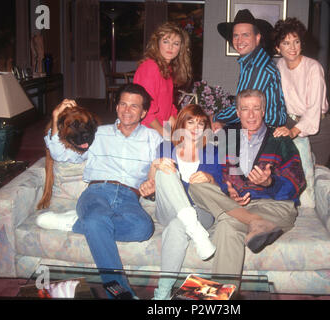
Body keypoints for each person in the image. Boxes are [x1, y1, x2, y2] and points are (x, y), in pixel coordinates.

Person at [42, 83, 163, 299]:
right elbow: (61, 155)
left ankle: (76, 223)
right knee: (97, 218)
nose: (127, 110)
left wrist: (154, 185)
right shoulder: (98, 134)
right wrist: (55, 117)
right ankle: (120, 293)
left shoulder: (154, 138)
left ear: (144, 112)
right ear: (116, 107)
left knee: (143, 228)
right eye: (123, 104)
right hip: (97, 191)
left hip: (129, 197)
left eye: (134, 106)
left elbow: (164, 170)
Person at [188, 89, 305, 280]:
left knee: (226, 225)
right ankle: (254, 222)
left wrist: (269, 182)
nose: (250, 115)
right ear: (237, 112)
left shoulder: (279, 139)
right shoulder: (226, 135)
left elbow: (296, 181)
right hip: (236, 205)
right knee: (196, 185)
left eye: (256, 109)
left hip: (275, 208)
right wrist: (227, 192)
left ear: (264, 112)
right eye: (245, 109)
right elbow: (210, 171)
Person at [139, 104, 221, 300]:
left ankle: (162, 295)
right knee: (165, 169)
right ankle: (195, 229)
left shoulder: (212, 151)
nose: (195, 127)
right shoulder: (165, 147)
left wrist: (209, 178)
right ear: (181, 124)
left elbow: (220, 190)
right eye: (190, 121)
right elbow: (153, 184)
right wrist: (155, 166)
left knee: (178, 226)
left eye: (201, 123)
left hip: (202, 211)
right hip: (168, 209)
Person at [273, 17, 330, 167]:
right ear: (278, 48)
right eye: (286, 43)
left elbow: (313, 110)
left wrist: (293, 132)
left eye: (296, 41)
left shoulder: (313, 68)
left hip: (318, 128)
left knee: (317, 172)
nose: (292, 47)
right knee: (292, 172)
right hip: (290, 122)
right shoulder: (280, 65)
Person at [211, 9, 287, 130]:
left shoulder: (258, 67)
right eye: (236, 35)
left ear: (257, 38)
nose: (239, 41)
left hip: (267, 132)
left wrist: (213, 117)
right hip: (257, 127)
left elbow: (243, 106)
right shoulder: (252, 62)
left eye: (245, 35)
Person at [133, 22, 192, 137]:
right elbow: (146, 111)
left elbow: (168, 109)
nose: (170, 47)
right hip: (147, 131)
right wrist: (166, 135)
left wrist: (179, 131)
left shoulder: (166, 69)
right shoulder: (150, 67)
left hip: (159, 129)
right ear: (157, 43)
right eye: (166, 42)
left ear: (180, 48)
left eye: (176, 44)